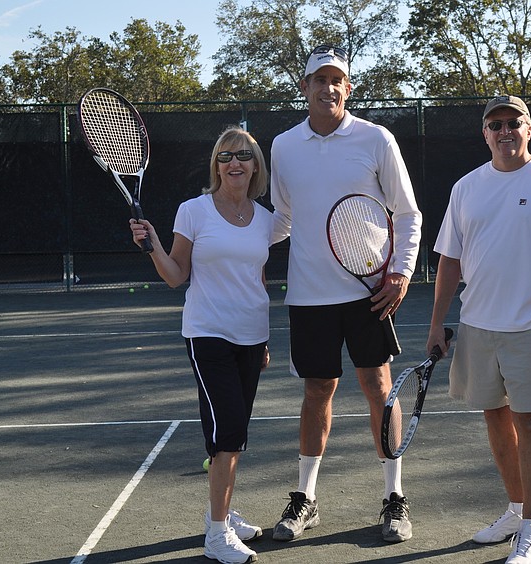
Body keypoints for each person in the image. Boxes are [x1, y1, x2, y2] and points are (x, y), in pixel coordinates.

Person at [427, 95, 531, 564]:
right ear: (485, 134)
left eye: (513, 123)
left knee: (529, 421)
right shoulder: (466, 188)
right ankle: (515, 511)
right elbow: (449, 261)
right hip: (478, 325)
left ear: (528, 128)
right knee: (494, 418)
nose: (504, 131)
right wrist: (438, 322)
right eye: (495, 124)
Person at [268, 45, 422, 544]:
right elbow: (282, 220)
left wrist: (399, 273)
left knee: (380, 388)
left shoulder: (377, 139)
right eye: (319, 80)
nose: (328, 88)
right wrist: (217, 233)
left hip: (368, 293)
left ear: (348, 88)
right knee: (317, 391)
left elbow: (407, 212)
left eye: (338, 80)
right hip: (309, 296)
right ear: (304, 88)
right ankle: (305, 498)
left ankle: (395, 497)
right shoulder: (283, 146)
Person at [130, 126, 280, 564]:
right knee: (229, 432)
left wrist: (265, 339)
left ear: (256, 167)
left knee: (231, 435)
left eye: (244, 156)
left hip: (252, 338)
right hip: (208, 333)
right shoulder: (193, 210)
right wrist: (153, 244)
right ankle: (216, 536)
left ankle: (224, 514)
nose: (234, 163)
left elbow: (259, 277)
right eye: (225, 156)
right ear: (216, 166)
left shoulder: (266, 218)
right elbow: (177, 274)